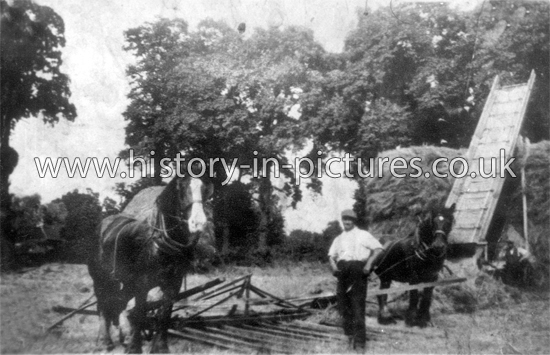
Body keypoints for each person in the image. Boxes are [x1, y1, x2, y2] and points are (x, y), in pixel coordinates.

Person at [328, 209, 383, 351]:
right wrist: (334, 267)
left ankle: (359, 342)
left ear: (354, 221)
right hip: (342, 272)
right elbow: (331, 256)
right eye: (345, 219)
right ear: (342, 220)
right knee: (343, 305)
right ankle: (348, 336)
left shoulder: (363, 235)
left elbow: (378, 249)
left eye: (350, 219)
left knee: (357, 306)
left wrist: (369, 265)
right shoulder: (338, 238)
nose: (347, 222)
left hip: (357, 271)